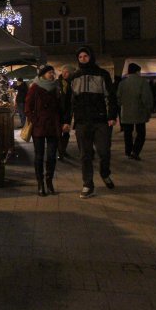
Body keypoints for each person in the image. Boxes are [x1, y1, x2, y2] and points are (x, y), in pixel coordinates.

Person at [63, 46, 118, 199]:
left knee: (104, 151)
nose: (83, 59)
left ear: (91, 57)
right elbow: (69, 102)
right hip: (82, 122)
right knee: (85, 155)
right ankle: (88, 184)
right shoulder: (74, 77)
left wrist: (112, 116)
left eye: (85, 56)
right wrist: (67, 121)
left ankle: (105, 173)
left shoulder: (102, 74)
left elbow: (111, 97)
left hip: (100, 121)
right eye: (80, 57)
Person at [25, 65, 64, 196]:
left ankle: (49, 182)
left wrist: (62, 122)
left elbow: (60, 106)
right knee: (39, 156)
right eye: (49, 73)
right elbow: (27, 107)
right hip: (39, 126)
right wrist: (35, 121)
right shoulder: (35, 87)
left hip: (53, 126)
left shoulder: (56, 87)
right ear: (42, 74)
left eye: (53, 73)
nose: (52, 75)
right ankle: (40, 184)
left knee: (52, 156)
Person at [117, 63, 153, 160]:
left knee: (127, 133)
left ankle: (128, 151)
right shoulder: (142, 82)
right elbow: (146, 98)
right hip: (139, 112)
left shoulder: (122, 83)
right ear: (137, 71)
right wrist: (149, 109)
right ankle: (135, 152)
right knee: (141, 133)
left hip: (126, 112)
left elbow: (118, 99)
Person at [56, 65, 74, 159]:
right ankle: (61, 152)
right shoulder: (57, 83)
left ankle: (63, 150)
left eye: (67, 72)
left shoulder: (72, 83)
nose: (64, 74)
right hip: (59, 112)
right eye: (63, 71)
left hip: (68, 111)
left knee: (66, 132)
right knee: (59, 133)